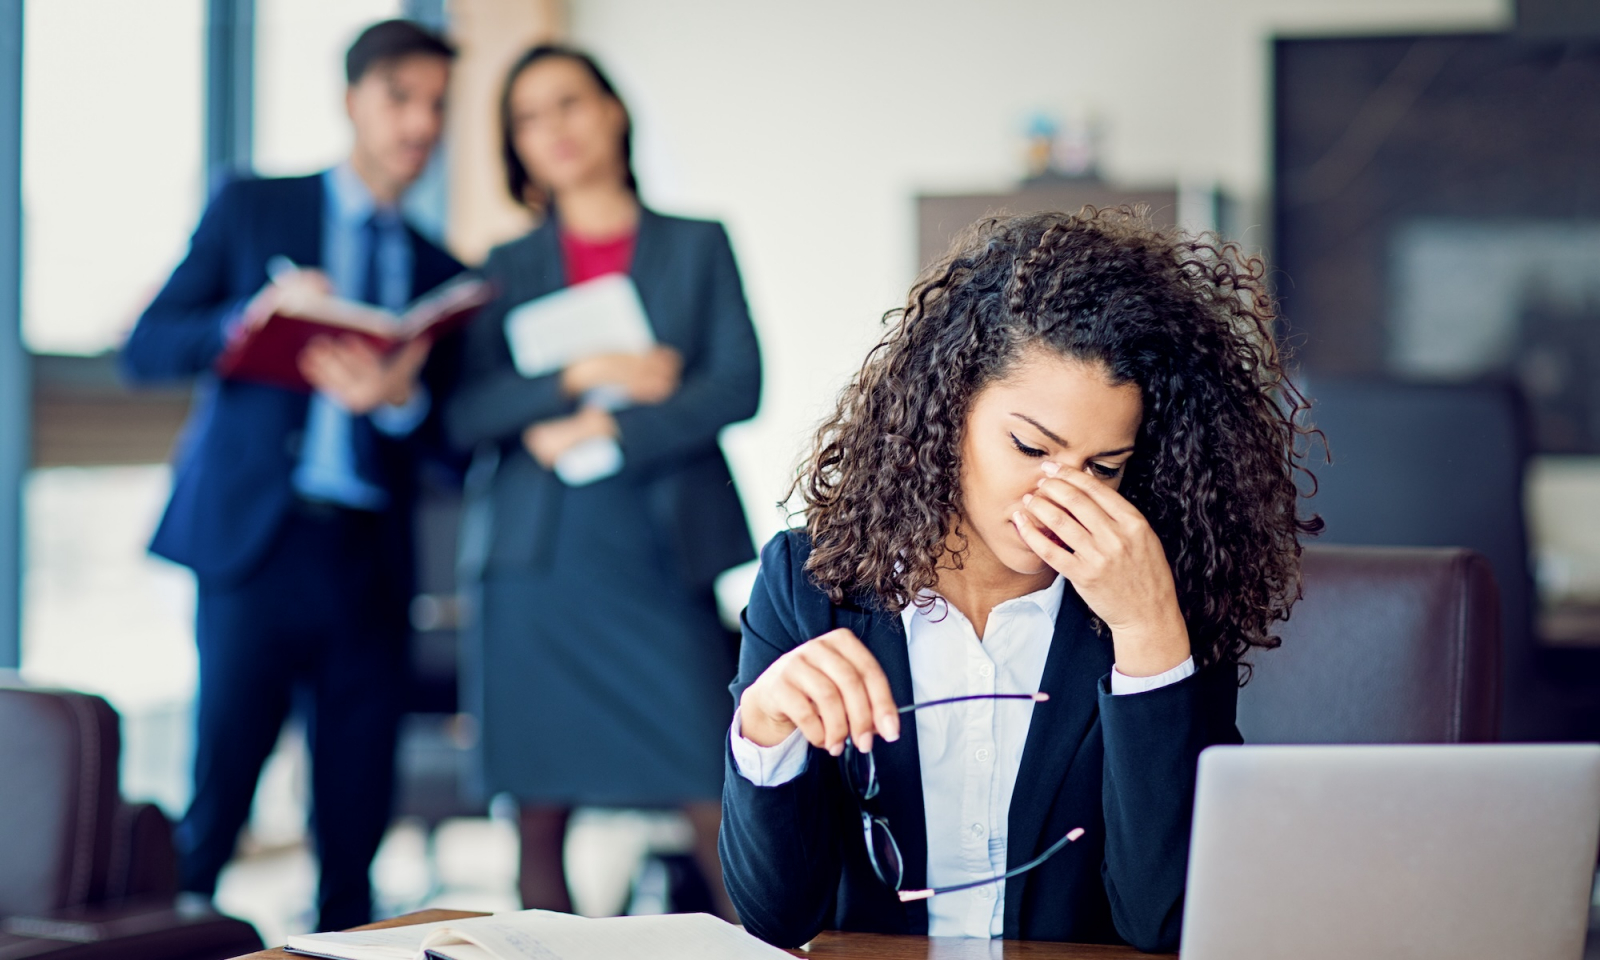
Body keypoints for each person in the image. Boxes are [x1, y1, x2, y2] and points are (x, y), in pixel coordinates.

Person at [719, 209, 1321, 950]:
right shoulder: (809, 580)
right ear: (946, 410)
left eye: (1103, 468)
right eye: (1031, 447)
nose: (1061, 496)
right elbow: (776, 921)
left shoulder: (1163, 595)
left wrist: (1149, 640)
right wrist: (765, 731)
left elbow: (1163, 922)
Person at [119, 21, 463, 931]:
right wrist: (250, 319)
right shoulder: (255, 209)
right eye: (401, 98)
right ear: (353, 100)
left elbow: (458, 450)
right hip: (254, 550)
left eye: (437, 105)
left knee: (354, 829)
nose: (420, 123)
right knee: (217, 804)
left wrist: (398, 401)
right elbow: (146, 345)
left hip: (367, 564)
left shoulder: (440, 272)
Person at [444, 45, 760, 918]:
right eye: (529, 118)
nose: (555, 129)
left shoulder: (697, 245)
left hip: (659, 551)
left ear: (613, 111)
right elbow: (466, 412)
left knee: (714, 784)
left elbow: (739, 383)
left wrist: (612, 429)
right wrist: (581, 377)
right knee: (538, 814)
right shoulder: (500, 266)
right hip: (535, 564)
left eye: (570, 103)